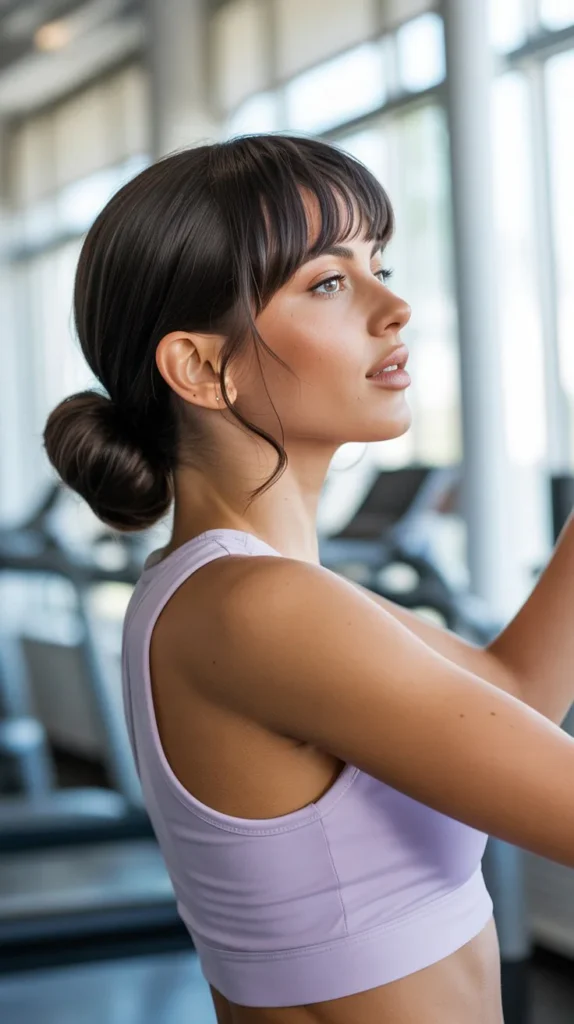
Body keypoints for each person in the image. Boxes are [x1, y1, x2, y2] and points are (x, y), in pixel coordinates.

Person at [43, 134, 574, 1024]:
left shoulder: (245, 587)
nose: (396, 305)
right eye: (329, 282)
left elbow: (516, 694)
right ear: (201, 368)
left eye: (380, 265)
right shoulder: (262, 607)